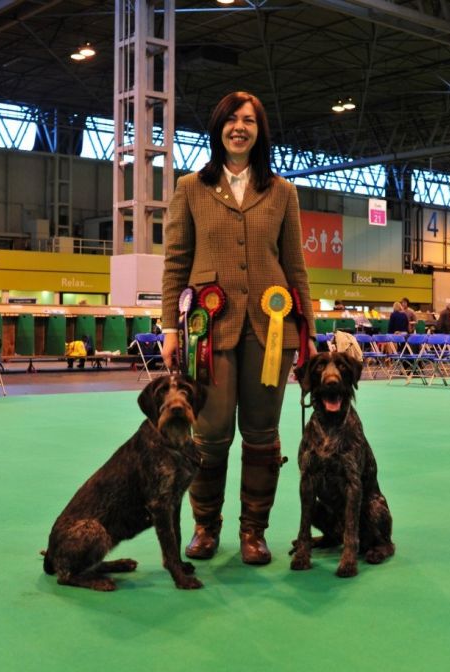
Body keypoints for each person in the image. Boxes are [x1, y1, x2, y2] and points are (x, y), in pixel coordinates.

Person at [161, 91, 317, 565]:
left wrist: (307, 333)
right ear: (218, 127)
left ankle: (255, 532)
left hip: (272, 330)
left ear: (259, 131)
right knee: (208, 433)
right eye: (231, 118)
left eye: (249, 120)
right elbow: (176, 262)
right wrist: (171, 327)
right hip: (209, 330)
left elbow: (295, 264)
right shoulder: (190, 188)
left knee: (262, 433)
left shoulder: (283, 191)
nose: (239, 127)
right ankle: (206, 527)